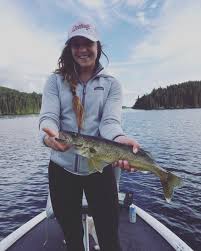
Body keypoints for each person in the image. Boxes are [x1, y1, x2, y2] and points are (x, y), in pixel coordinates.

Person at [39, 20, 139, 251]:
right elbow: (48, 118)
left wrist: (120, 141)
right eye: (76, 44)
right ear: (69, 48)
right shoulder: (54, 81)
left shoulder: (112, 84)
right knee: (72, 238)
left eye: (88, 43)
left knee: (109, 238)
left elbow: (110, 124)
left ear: (98, 46)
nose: (82, 49)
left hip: (100, 170)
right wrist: (49, 138)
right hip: (61, 171)